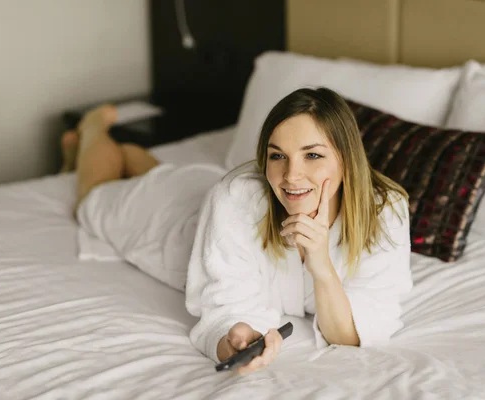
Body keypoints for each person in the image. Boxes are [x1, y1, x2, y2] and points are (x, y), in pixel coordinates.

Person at [63, 87, 412, 376]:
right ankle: (93, 131)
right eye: (278, 157)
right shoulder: (237, 199)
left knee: (157, 172)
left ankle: (125, 157)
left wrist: (319, 264)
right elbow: (222, 309)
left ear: (347, 158)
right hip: (175, 222)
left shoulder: (386, 211)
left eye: (312, 156)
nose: (291, 176)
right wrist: (225, 331)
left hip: (200, 191)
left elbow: (349, 333)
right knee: (92, 199)